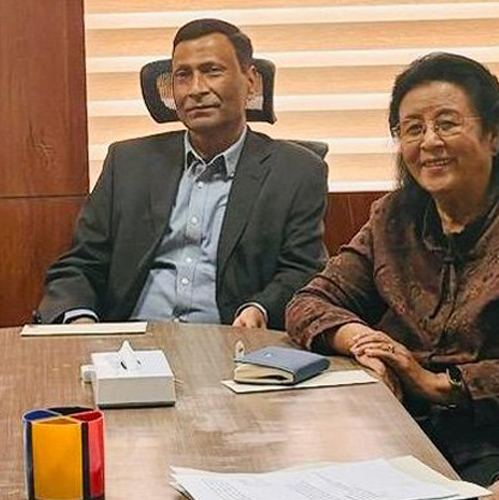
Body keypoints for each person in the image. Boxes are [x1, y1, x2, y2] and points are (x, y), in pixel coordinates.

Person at [286, 52, 499, 493]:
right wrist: (365, 343)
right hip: (395, 423)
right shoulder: (394, 217)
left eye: (447, 123)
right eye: (413, 128)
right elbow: (310, 301)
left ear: (493, 135)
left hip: (486, 439)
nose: (430, 142)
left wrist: (440, 385)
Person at [37, 18, 328, 329]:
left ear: (251, 81)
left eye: (212, 71)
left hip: (231, 343)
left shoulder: (297, 171)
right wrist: (81, 321)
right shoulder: (128, 163)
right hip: (130, 343)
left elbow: (302, 271)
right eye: (183, 76)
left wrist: (260, 309)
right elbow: (80, 264)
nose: (196, 89)